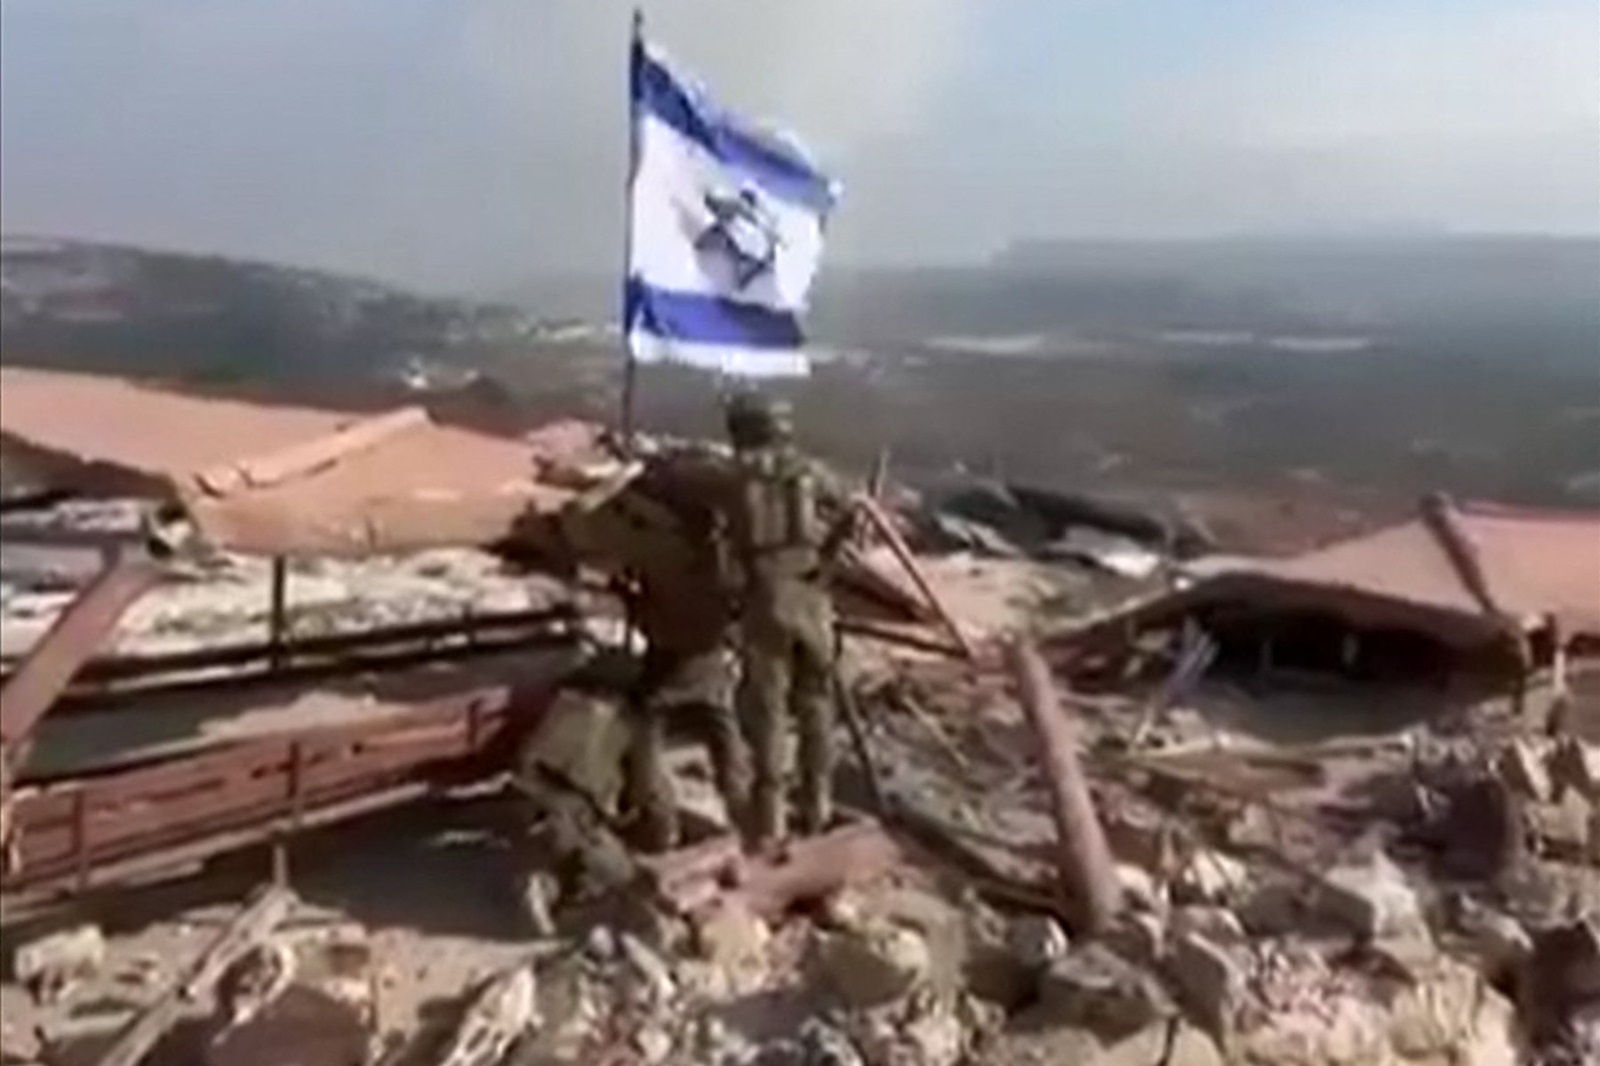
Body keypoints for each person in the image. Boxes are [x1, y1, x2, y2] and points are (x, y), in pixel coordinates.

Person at [721, 390, 857, 846]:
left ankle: (771, 821)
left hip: (765, 597)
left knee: (769, 713)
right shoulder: (811, 472)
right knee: (817, 705)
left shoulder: (733, 477)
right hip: (812, 596)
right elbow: (852, 511)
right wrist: (827, 563)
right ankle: (818, 807)